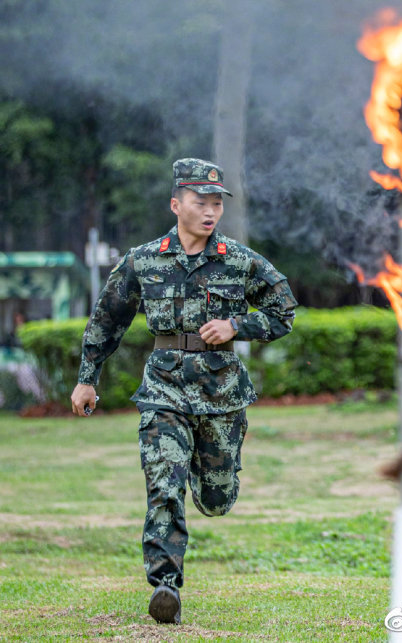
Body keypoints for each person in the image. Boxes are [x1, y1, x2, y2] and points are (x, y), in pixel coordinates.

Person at [70, 158, 297, 624]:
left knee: (216, 499)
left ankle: (215, 484)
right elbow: (107, 319)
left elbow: (283, 311)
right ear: (177, 204)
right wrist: (87, 377)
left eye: (217, 203)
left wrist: (237, 324)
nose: (210, 211)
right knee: (164, 484)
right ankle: (165, 585)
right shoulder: (143, 259)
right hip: (164, 390)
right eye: (201, 202)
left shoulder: (241, 260)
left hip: (222, 396)